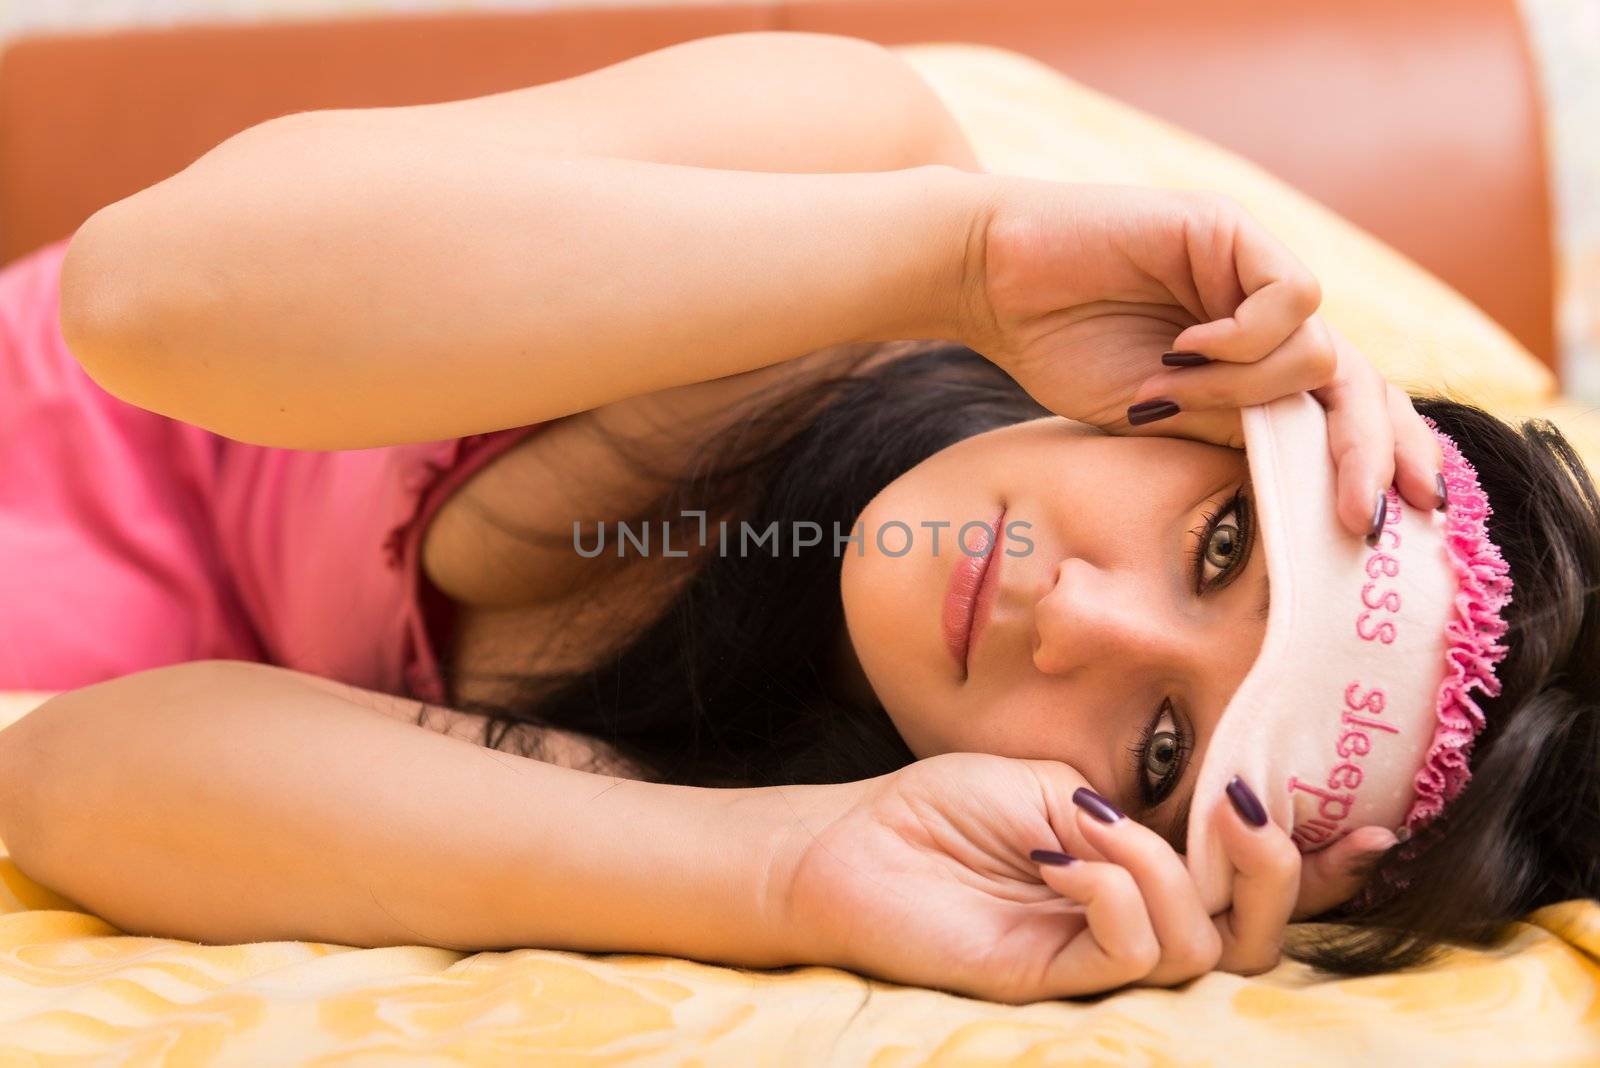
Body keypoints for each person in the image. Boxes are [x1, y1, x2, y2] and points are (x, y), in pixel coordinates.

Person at [0, 31, 1593, 1004]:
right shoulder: (853, 164)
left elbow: (65, 774)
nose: (1080, 620)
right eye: (1219, 543)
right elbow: (145, 299)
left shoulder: (823, 781)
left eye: (1165, 749)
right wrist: (951, 265)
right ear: (1201, 406)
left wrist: (776, 871)